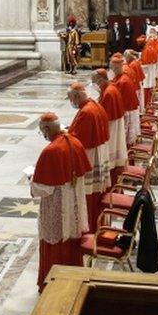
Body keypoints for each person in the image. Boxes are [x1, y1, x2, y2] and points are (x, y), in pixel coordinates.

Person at [31, 112, 91, 291]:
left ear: (48, 128)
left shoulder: (51, 151)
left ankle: (51, 285)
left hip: (56, 207)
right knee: (71, 240)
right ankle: (74, 279)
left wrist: (31, 179)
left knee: (55, 242)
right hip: (73, 204)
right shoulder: (75, 141)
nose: (44, 135)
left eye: (43, 131)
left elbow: (42, 188)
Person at [66, 82, 110, 231]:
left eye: (71, 99)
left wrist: (66, 135)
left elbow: (78, 139)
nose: (71, 102)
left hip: (90, 155)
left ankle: (89, 228)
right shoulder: (92, 104)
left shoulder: (86, 111)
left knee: (88, 194)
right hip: (98, 152)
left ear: (77, 96)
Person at [92, 69, 127, 184]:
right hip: (114, 124)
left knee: (110, 152)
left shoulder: (108, 92)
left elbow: (105, 116)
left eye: (94, 81)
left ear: (100, 80)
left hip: (111, 127)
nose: (93, 84)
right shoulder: (109, 88)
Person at [111, 54, 139, 148]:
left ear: (116, 68)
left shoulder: (123, 81)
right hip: (129, 108)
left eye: (113, 68)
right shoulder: (122, 76)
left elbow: (119, 98)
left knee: (125, 134)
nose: (112, 71)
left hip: (126, 110)